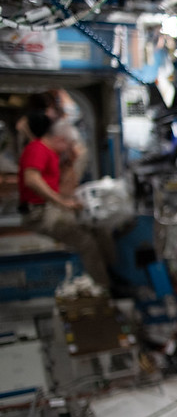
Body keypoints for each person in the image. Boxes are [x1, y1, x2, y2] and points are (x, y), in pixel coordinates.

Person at [18, 112, 112, 289]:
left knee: (98, 228)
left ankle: (112, 273)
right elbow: (31, 179)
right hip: (40, 213)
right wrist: (61, 203)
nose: (68, 147)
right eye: (68, 144)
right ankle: (105, 289)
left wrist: (72, 162)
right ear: (60, 138)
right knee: (87, 243)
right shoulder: (38, 148)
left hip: (48, 208)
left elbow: (61, 186)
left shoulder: (52, 154)